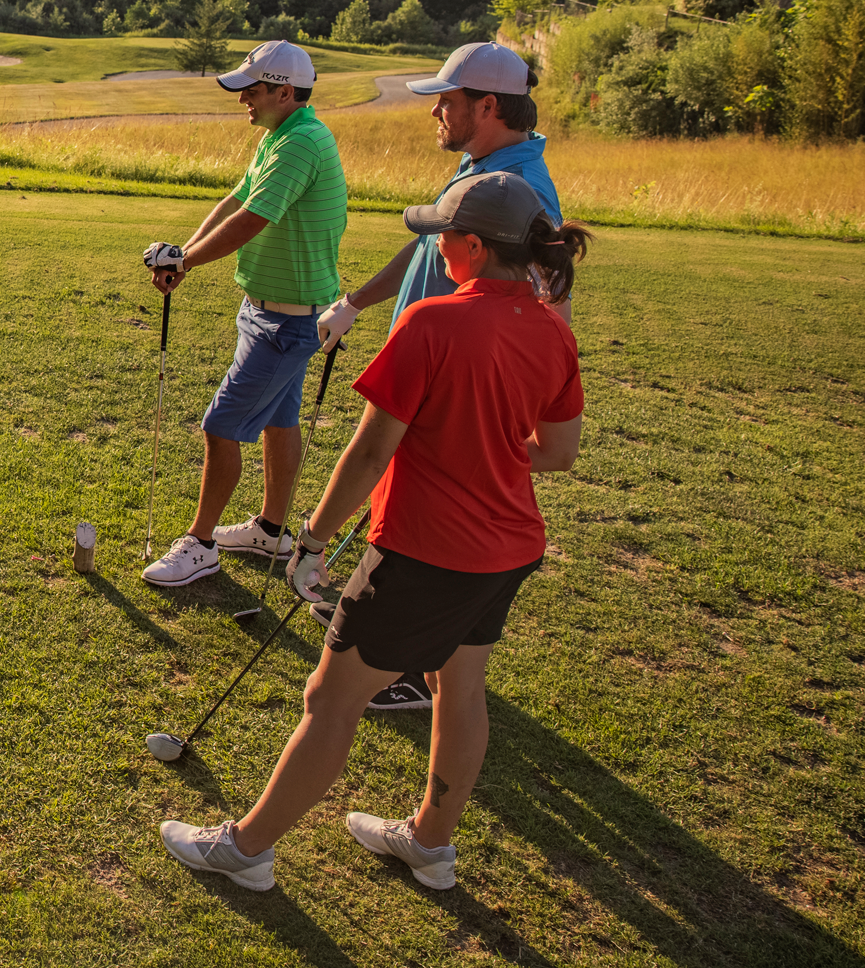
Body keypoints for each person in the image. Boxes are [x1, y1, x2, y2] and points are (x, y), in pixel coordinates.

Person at [157, 172, 590, 892]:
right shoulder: (552, 326)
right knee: (461, 687)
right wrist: (478, 446)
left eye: (443, 234)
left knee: (332, 697)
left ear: (474, 247)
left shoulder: (432, 322)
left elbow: (368, 451)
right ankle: (429, 843)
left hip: (425, 553)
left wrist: (314, 539)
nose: (437, 245)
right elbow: (559, 451)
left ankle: (246, 850)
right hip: (507, 551)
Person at [316, 40, 561, 714]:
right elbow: (427, 239)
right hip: (425, 368)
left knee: (420, 531)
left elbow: (536, 314)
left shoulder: (523, 191)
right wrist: (357, 302)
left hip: (451, 385)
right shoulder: (480, 164)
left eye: (446, 101)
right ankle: (388, 635)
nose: (435, 113)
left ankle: (397, 662)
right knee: (392, 511)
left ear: (487, 105)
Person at [139, 39, 348, 589]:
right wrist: (181, 252)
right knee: (280, 421)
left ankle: (201, 544)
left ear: (284, 91)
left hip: (287, 321)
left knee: (221, 425)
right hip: (269, 311)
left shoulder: (301, 142)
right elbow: (236, 199)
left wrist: (186, 261)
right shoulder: (282, 136)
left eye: (251, 90)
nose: (243, 101)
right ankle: (272, 531)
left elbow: (252, 220)